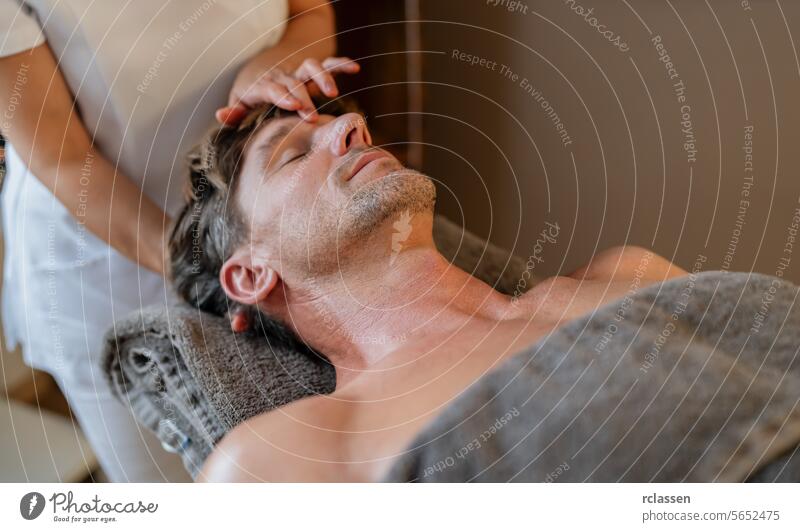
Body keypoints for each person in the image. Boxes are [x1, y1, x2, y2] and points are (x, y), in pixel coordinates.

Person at [167, 101, 692, 482]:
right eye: (294, 154)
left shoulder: (630, 274)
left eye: (344, 122)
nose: (355, 125)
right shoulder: (289, 456)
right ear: (252, 274)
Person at [0, 0, 358, 482]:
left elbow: (310, 13)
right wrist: (203, 273)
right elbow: (62, 159)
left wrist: (270, 68)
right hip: (106, 261)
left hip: (266, 240)